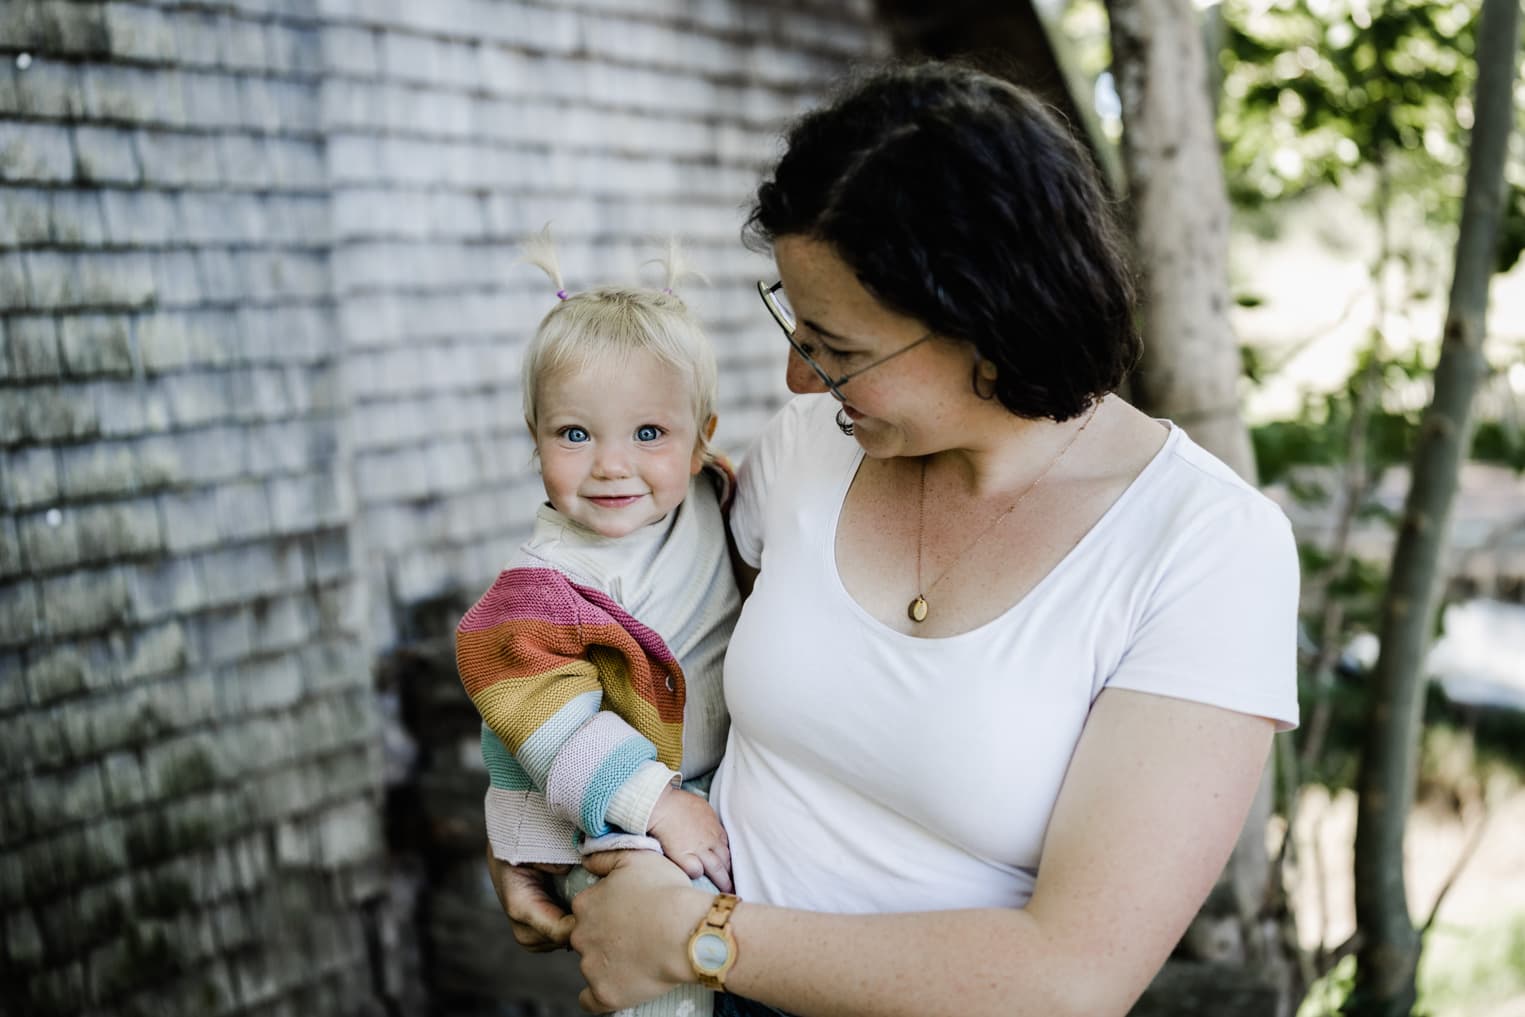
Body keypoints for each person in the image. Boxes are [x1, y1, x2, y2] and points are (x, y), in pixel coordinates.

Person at [488, 63, 1300, 1017]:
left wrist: (695, 936)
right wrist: (533, 824)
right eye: (795, 326)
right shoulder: (808, 451)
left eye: (838, 350)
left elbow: (1072, 979)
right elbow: (626, 644)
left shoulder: (1204, 548)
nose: (796, 380)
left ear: (987, 325)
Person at [457, 228, 741, 1017]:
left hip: (715, 785)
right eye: (574, 434)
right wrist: (656, 804)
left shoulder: (715, 499)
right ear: (535, 439)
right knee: (665, 975)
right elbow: (552, 729)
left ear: (700, 444)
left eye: (648, 433)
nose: (611, 464)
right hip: (609, 810)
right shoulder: (538, 590)